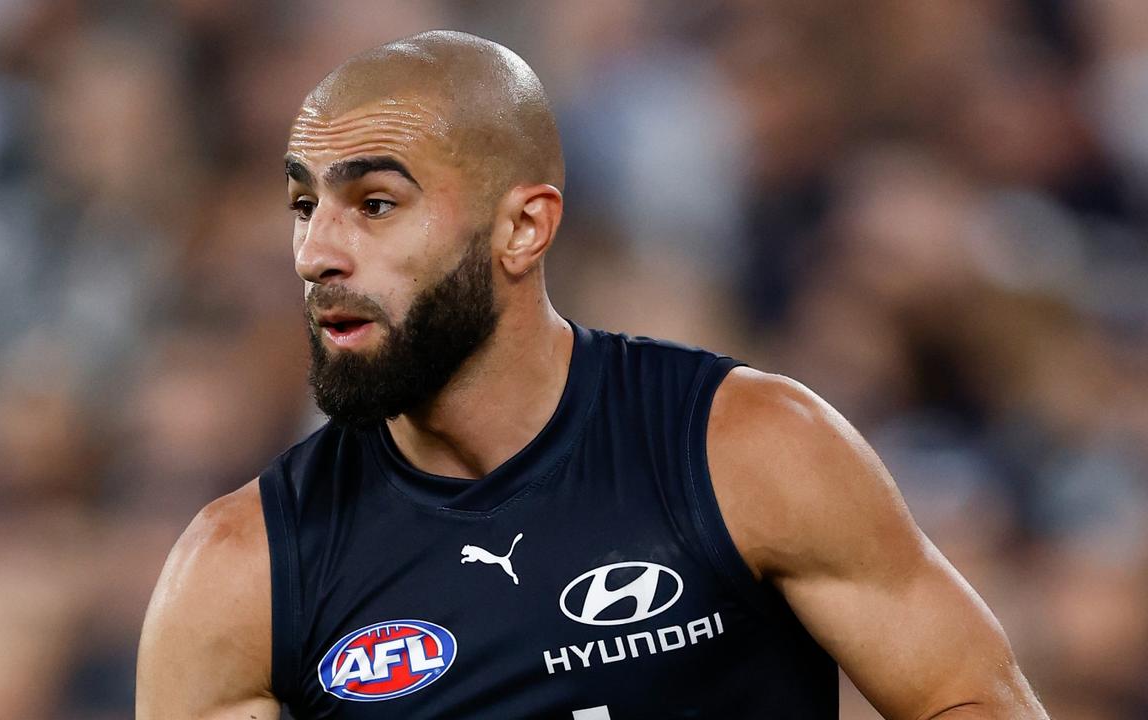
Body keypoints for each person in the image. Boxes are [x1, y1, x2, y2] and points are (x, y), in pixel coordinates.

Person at [135, 30, 1049, 719]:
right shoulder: (239, 575)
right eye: (304, 204)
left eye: (375, 204)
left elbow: (966, 697)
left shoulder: (747, 449)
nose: (315, 252)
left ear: (523, 229)